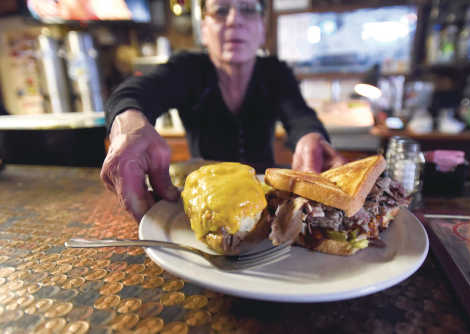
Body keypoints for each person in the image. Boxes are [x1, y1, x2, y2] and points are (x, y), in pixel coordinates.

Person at [101, 0, 346, 221]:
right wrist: (128, 121)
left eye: (248, 10)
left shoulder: (275, 73)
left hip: (264, 203)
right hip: (205, 202)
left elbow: (300, 116)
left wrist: (310, 136)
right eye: (221, 10)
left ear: (262, 29)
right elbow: (133, 93)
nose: (234, 20)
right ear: (204, 28)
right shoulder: (188, 69)